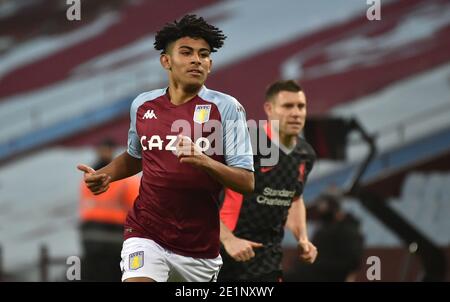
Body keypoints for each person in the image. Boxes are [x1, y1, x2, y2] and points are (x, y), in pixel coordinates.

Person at [77, 15, 254, 282]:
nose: (197, 59)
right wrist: (108, 174)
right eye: (186, 52)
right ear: (166, 61)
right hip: (145, 233)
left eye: (203, 54)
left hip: (199, 249)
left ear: (210, 64)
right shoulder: (143, 105)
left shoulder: (227, 107)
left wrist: (204, 161)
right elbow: (136, 157)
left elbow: (246, 181)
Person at [218, 80, 318, 281]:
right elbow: (200, 198)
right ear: (269, 109)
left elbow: (295, 199)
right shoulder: (246, 143)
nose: (296, 113)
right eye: (288, 106)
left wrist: (303, 238)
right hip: (222, 253)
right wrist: (228, 240)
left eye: (301, 106)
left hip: (267, 258)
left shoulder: (305, 154)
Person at [79, 139, 139, 281]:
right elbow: (137, 209)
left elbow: (86, 204)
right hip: (115, 235)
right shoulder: (125, 180)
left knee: (94, 275)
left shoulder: (89, 177)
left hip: (90, 234)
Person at [289, 193, 364, 282]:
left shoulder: (348, 231)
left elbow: (352, 262)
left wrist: (317, 265)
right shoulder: (324, 229)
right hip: (311, 274)